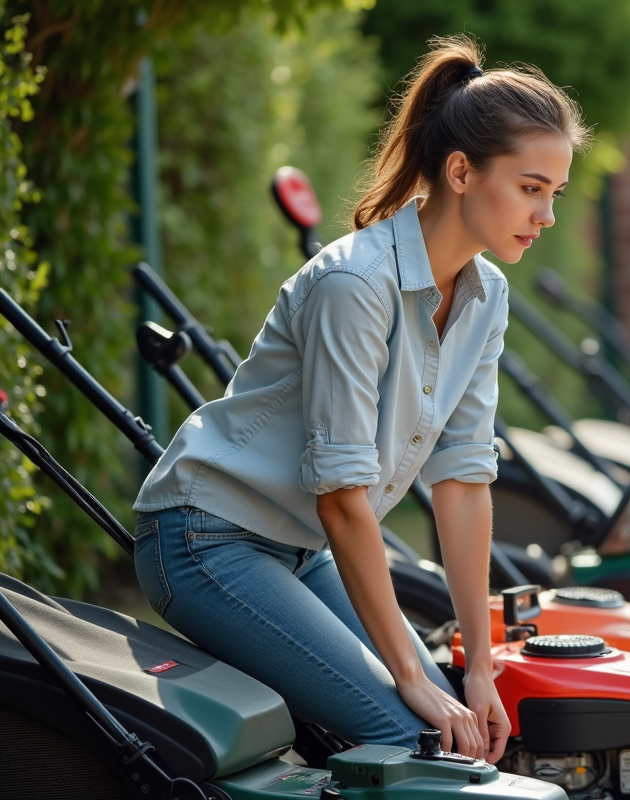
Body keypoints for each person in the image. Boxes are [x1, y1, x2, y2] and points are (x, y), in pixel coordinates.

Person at [131, 35, 590, 764]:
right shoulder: (356, 284)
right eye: (532, 188)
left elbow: (464, 481)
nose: (547, 216)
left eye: (554, 194)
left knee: (452, 717)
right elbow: (343, 497)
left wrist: (477, 666)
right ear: (463, 171)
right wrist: (412, 678)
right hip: (207, 538)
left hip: (303, 547)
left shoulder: (485, 294)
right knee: (415, 733)